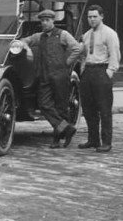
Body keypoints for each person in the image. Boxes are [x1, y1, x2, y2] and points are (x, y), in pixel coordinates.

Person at [21, 9, 83, 148]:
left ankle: (57, 139)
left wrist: (67, 62)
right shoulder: (39, 36)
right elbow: (26, 40)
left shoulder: (63, 35)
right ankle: (67, 129)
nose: (44, 23)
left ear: (53, 21)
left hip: (60, 76)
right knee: (44, 104)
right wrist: (24, 45)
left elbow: (77, 49)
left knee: (61, 108)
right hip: (45, 76)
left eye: (47, 20)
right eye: (42, 21)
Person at [77, 4, 120, 153]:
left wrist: (109, 72)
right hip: (88, 72)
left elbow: (115, 54)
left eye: (95, 16)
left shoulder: (109, 33)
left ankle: (106, 142)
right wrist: (83, 69)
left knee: (104, 109)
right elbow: (84, 54)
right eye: (89, 17)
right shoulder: (87, 34)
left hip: (102, 72)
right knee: (88, 109)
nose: (92, 19)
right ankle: (93, 139)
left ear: (102, 16)